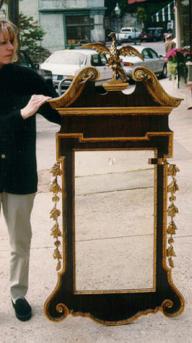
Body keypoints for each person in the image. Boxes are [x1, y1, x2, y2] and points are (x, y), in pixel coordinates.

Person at [0, 19, 61, 321]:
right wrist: (22, 114)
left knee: (19, 239)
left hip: (19, 171)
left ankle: (18, 294)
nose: (10, 48)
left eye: (11, 41)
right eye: (2, 43)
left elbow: (60, 111)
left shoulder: (25, 77)